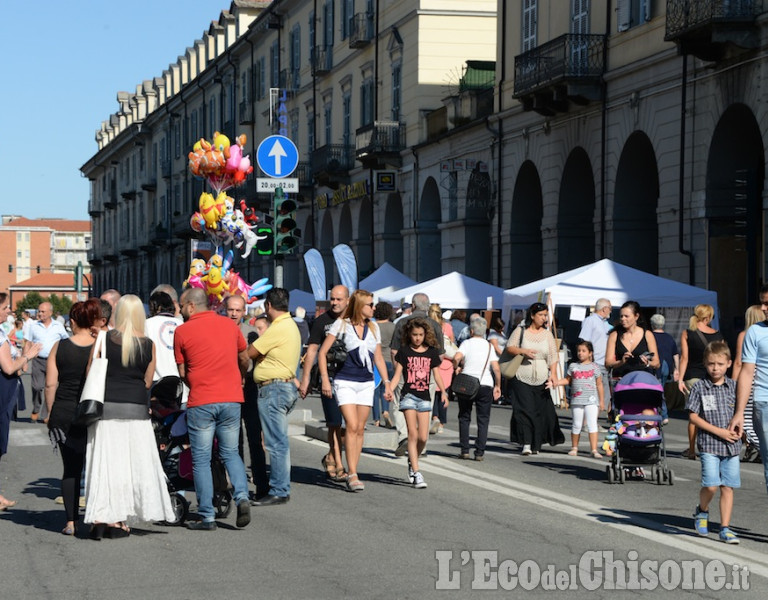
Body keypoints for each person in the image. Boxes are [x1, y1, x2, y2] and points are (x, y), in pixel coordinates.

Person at [84, 295, 175, 539]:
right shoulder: (148, 344)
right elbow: (147, 381)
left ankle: (102, 516)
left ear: (119, 313)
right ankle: (119, 519)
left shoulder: (104, 338)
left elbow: (90, 371)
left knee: (107, 465)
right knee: (129, 467)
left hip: (107, 410)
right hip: (136, 411)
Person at [174, 288, 251, 530]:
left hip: (202, 400)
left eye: (182, 306)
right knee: (230, 453)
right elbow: (244, 357)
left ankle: (207, 516)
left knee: (201, 460)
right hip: (230, 398)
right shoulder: (230, 326)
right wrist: (239, 377)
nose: (181, 310)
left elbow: (182, 372)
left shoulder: (182, 331)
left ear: (190, 306)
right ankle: (242, 497)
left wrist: (194, 382)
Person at [318, 289, 392, 492]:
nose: (374, 308)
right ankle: (352, 474)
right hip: (345, 381)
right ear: (360, 306)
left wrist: (386, 382)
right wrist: (325, 379)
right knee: (351, 425)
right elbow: (322, 352)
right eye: (370, 304)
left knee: (360, 428)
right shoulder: (342, 324)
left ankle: (353, 468)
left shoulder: (374, 327)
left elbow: (378, 358)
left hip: (366, 382)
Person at [45, 299, 100, 535]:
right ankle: (98, 518)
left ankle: (70, 522)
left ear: (74, 321)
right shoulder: (99, 345)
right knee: (97, 467)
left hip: (64, 413)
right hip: (93, 411)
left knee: (71, 469)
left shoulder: (60, 346)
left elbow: (50, 384)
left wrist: (50, 413)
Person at [248, 288, 302, 506]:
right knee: (278, 440)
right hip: (282, 387)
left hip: (274, 389)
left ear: (268, 305)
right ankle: (279, 487)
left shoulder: (278, 327)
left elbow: (252, 351)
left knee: (276, 443)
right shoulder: (290, 325)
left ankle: (279, 489)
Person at [688, 341, 742, 544]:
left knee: (728, 487)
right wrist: (718, 431)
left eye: (720, 364)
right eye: (711, 364)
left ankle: (725, 528)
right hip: (709, 444)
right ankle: (702, 511)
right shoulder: (700, 387)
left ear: (728, 363)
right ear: (705, 363)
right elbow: (693, 417)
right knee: (711, 485)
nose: (715, 368)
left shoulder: (735, 387)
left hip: (732, 447)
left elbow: (740, 412)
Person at [299, 285, 349, 482]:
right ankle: (338, 463)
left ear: (347, 300)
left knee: (350, 427)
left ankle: (330, 455)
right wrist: (306, 379)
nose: (335, 303)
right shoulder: (322, 321)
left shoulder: (354, 320)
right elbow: (311, 351)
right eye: (332, 299)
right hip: (330, 378)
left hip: (352, 379)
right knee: (335, 424)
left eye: (339, 299)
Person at [390, 318, 448, 487]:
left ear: (425, 335)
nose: (417, 338)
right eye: (414, 335)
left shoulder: (431, 352)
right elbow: (397, 375)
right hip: (408, 396)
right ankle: (416, 473)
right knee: (412, 434)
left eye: (421, 335)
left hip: (424, 397)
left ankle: (411, 459)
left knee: (423, 436)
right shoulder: (404, 351)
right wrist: (389, 389)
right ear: (409, 335)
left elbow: (437, 375)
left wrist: (444, 392)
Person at [225, 294, 269, 501]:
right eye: (230, 309)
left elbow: (257, 361)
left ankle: (261, 483)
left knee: (254, 438)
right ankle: (238, 483)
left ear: (244, 312)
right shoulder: (221, 330)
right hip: (228, 390)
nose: (233, 314)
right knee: (233, 442)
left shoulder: (251, 332)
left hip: (249, 388)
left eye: (238, 310)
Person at [506, 302, 565, 455]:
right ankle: (526, 443)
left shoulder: (547, 334)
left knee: (539, 412)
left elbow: (553, 357)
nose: (544, 318)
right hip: (521, 375)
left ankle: (536, 443)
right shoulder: (521, 331)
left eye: (546, 315)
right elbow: (509, 347)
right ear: (532, 316)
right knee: (525, 410)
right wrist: (523, 351)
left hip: (541, 377)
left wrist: (553, 375)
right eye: (541, 315)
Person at [389, 293, 444, 456]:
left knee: (399, 404)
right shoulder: (435, 324)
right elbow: (440, 355)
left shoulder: (402, 323)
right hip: (428, 373)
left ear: (413, 305)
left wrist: (397, 370)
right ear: (427, 307)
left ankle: (405, 437)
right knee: (426, 407)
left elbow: (394, 351)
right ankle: (422, 445)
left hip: (405, 370)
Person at [0, 293, 41, 510]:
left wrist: (24, 355)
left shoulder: (2, 332)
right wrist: (29, 355)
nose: (9, 312)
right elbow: (8, 367)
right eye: (6, 307)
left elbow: (17, 365)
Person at [730, 285, 768, 493]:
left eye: (767, 303)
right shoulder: (755, 331)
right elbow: (746, 372)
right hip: (764, 403)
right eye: (762, 302)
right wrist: (739, 413)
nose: (763, 308)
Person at [678, 304, 723, 459]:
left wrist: (680, 379)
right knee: (709, 414)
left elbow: (684, 358)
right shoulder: (718, 335)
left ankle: (691, 450)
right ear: (708, 317)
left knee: (694, 414)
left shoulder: (687, 333)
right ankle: (710, 447)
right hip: (711, 379)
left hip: (692, 378)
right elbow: (722, 358)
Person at [453, 317, 501, 460]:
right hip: (485, 383)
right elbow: (496, 368)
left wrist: (457, 367)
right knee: (483, 419)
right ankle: (479, 452)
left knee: (464, 416)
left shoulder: (466, 343)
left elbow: (456, 358)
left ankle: (465, 450)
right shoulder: (489, 346)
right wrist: (498, 385)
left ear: (471, 330)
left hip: (467, 383)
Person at [551, 341, 604, 458]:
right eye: (579, 351)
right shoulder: (573, 366)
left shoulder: (595, 367)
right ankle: (574, 447)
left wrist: (601, 401)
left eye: (583, 351)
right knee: (576, 424)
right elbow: (568, 380)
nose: (580, 353)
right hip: (577, 400)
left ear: (590, 353)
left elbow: (599, 384)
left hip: (592, 400)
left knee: (592, 424)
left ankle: (594, 449)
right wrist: (557, 383)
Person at [24, 301, 69, 423]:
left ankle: (46, 414)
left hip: (53, 361)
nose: (40, 313)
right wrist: (24, 361)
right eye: (39, 311)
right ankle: (36, 408)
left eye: (43, 311)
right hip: (38, 361)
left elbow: (66, 342)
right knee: (37, 387)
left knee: (50, 387)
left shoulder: (58, 326)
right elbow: (27, 343)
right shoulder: (33, 326)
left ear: (50, 313)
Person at [731, 305, 764, 461]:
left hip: (751, 380)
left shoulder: (744, 334)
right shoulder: (757, 333)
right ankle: (757, 447)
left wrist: (733, 384)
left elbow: (739, 363)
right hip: (760, 380)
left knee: (747, 417)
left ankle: (756, 446)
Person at [144, 291, 185, 399]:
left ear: (155, 307)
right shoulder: (181, 324)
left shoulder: (147, 324)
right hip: (180, 384)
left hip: (156, 383)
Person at [579, 299, 613, 410]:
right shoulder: (591, 320)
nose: (611, 311)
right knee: (595, 396)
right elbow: (584, 341)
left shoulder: (603, 323)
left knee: (603, 396)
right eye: (610, 308)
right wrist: (588, 362)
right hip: (595, 363)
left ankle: (591, 422)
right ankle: (589, 424)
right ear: (605, 309)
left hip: (604, 363)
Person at [428, 303, 454, 432]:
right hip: (446, 364)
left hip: (432, 362)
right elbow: (452, 344)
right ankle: (442, 423)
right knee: (444, 393)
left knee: (433, 392)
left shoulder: (427, 326)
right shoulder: (447, 327)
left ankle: (435, 417)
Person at [650, 313, 679, 425]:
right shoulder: (669, 337)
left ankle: (663, 415)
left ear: (652, 324)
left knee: (657, 391)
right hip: (667, 366)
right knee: (660, 389)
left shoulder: (650, 336)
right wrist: (677, 369)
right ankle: (660, 414)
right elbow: (675, 354)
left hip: (657, 367)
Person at [373, 301, 395, 428]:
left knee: (375, 391)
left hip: (376, 360)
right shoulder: (393, 327)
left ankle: (376, 419)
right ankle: (386, 411)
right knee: (386, 388)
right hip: (389, 360)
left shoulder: (373, 326)